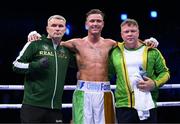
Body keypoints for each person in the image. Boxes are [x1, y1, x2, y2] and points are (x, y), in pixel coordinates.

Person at [27, 9, 159, 124]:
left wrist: (148, 41)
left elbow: (131, 43)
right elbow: (52, 43)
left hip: (105, 93)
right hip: (83, 93)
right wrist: (35, 35)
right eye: (92, 21)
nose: (95, 23)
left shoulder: (111, 44)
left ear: (103, 24)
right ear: (86, 24)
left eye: (98, 21)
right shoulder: (75, 43)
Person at [12, 15, 73, 123]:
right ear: (47, 29)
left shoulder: (66, 50)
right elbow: (16, 65)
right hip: (33, 106)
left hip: (55, 109)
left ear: (64, 29)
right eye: (53, 25)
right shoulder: (35, 43)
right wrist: (36, 65)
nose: (57, 28)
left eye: (60, 26)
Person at [109, 18, 170, 123]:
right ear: (121, 34)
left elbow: (165, 73)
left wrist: (154, 84)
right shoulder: (114, 52)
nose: (130, 34)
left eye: (133, 31)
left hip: (148, 102)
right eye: (126, 31)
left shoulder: (152, 51)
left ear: (138, 32)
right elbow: (108, 74)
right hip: (124, 104)